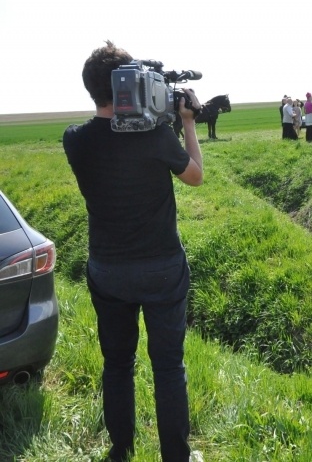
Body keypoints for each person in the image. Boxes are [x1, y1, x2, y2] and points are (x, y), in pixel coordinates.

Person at [62, 41, 203, 462]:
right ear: (129, 83)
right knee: (168, 367)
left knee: (117, 363)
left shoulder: (75, 140)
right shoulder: (156, 136)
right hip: (162, 268)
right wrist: (187, 123)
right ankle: (176, 456)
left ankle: (120, 450)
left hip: (107, 269)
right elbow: (195, 176)